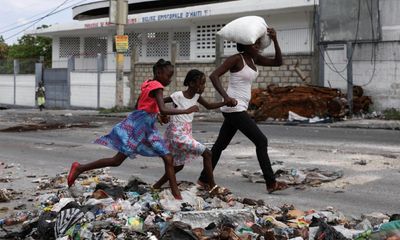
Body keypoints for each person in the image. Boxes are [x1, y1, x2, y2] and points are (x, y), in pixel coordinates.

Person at [67, 59, 199, 199]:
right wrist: (186, 110)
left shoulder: (147, 84)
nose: (170, 79)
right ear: (159, 73)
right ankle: (177, 196)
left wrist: (156, 117)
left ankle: (79, 168)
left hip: (141, 128)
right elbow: (162, 108)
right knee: (164, 157)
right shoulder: (157, 86)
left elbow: (141, 106)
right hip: (141, 130)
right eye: (168, 75)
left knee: (122, 160)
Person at [197, 28, 289, 194]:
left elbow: (278, 62)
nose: (257, 46)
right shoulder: (236, 59)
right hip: (234, 108)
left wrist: (275, 40)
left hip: (237, 108)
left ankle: (203, 180)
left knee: (219, 146)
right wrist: (225, 97)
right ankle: (271, 182)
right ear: (245, 45)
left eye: (257, 44)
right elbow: (214, 76)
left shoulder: (254, 59)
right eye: (253, 44)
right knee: (261, 141)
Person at [152, 69, 230, 196]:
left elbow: (209, 106)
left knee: (178, 166)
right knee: (207, 153)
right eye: (202, 83)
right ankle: (212, 187)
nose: (204, 87)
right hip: (176, 133)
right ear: (192, 83)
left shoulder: (197, 96)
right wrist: (160, 115)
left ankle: (156, 186)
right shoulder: (177, 96)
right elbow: (159, 102)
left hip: (186, 132)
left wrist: (225, 102)